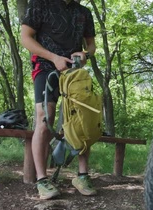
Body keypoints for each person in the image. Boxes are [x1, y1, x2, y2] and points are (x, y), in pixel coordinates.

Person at [21, 0, 97, 199]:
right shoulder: (40, 4)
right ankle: (42, 180)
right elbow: (26, 38)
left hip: (74, 72)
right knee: (45, 119)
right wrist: (54, 57)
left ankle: (82, 175)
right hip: (45, 67)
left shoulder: (84, 12)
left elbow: (91, 44)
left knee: (81, 120)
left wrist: (86, 53)